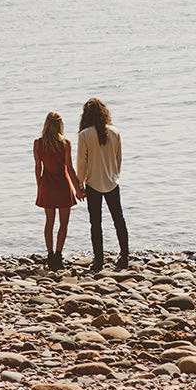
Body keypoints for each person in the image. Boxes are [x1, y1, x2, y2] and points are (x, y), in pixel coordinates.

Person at [75, 97, 128, 272]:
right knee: (118, 220)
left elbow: (82, 163)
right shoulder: (115, 132)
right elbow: (119, 159)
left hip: (93, 184)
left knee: (95, 223)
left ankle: (98, 260)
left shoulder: (84, 135)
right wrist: (115, 174)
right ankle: (124, 255)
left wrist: (79, 184)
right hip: (112, 182)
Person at [33, 111, 83, 271]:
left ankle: (50, 255)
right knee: (63, 223)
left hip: (47, 184)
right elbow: (69, 167)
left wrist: (39, 185)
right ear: (60, 125)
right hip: (62, 184)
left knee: (49, 222)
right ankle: (58, 256)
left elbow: (38, 167)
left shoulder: (38, 143)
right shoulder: (65, 143)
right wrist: (78, 189)